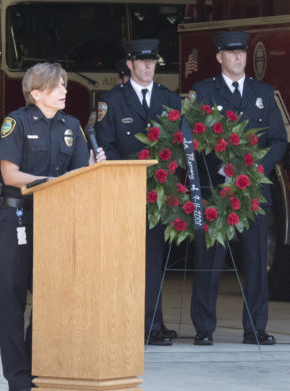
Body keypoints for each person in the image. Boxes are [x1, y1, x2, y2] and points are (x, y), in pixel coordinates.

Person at [0, 62, 105, 391]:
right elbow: (10, 174)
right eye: (57, 86)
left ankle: (35, 370)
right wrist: (49, 183)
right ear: (36, 92)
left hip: (54, 220)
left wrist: (95, 167)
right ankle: (17, 382)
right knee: (12, 301)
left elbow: (80, 173)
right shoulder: (17, 122)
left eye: (65, 84)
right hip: (16, 220)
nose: (65, 90)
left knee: (51, 298)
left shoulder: (73, 126)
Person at [190, 31, 287, 346]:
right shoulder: (203, 92)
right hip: (216, 189)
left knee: (257, 261)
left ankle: (255, 327)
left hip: (251, 191)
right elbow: (190, 140)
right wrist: (220, 169)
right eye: (231, 53)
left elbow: (278, 141)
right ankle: (204, 328)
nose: (238, 57)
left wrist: (255, 170)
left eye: (242, 53)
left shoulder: (263, 92)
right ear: (219, 57)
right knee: (210, 261)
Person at [95, 39, 182, 346]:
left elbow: (179, 146)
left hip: (158, 193)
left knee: (154, 259)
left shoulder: (169, 99)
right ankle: (133, 321)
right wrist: (132, 174)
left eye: (153, 62)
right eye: (142, 62)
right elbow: (106, 145)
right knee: (128, 260)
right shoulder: (112, 100)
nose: (149, 67)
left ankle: (153, 322)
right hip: (126, 191)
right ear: (130, 64)